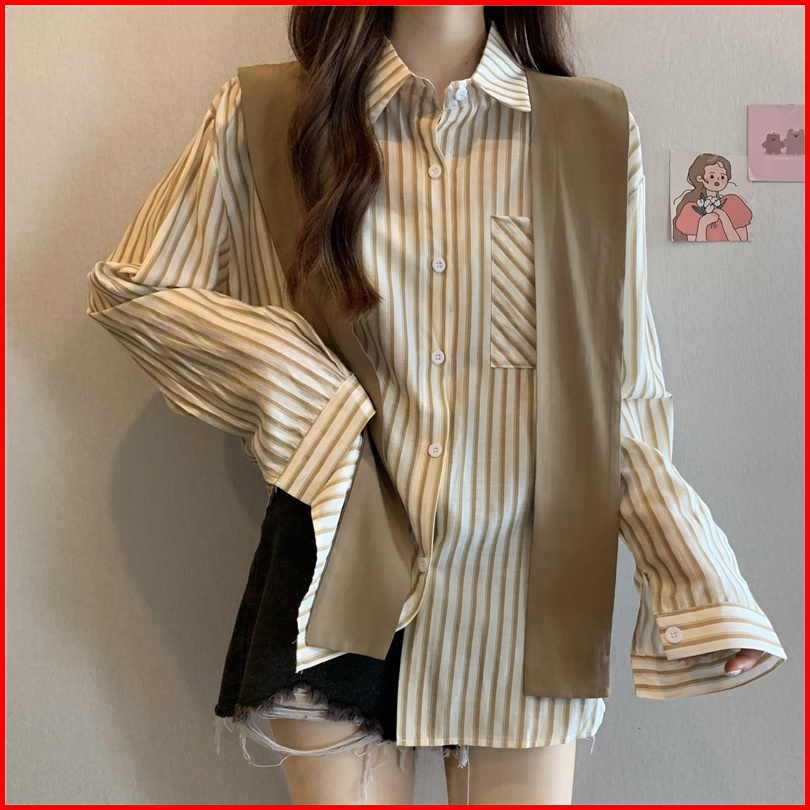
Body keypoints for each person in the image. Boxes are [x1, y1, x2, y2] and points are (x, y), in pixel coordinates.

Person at [87, 6, 786, 805]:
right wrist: (305, 386)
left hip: (525, 587)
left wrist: (694, 572)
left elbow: (617, 392)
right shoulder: (268, 114)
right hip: (334, 571)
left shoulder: (589, 130)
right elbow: (133, 289)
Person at [672, 153, 753, 242]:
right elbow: (693, 246)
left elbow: (742, 241)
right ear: (700, 178)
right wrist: (703, 223)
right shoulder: (691, 209)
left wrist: (725, 219)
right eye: (712, 176)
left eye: (722, 176)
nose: (717, 180)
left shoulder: (733, 203)